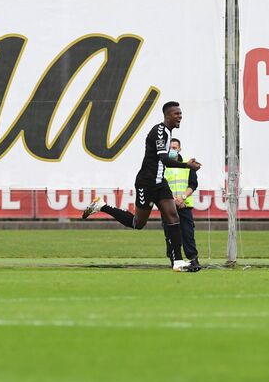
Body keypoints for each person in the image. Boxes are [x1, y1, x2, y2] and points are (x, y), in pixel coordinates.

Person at [81, 101, 202, 272]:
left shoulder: (168, 132)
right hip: (147, 182)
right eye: (177, 114)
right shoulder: (160, 131)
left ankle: (178, 262)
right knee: (137, 223)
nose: (180, 117)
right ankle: (101, 206)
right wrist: (187, 165)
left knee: (173, 217)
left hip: (160, 183)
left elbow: (165, 160)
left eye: (180, 114)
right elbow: (164, 159)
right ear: (167, 115)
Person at [161, 138, 200, 270]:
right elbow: (162, 185)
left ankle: (193, 260)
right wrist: (174, 200)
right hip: (168, 206)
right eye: (170, 147)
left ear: (179, 149)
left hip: (185, 205)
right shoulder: (162, 166)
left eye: (175, 148)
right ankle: (174, 260)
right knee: (170, 235)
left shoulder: (188, 165)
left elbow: (193, 184)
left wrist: (182, 198)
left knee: (188, 234)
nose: (172, 150)